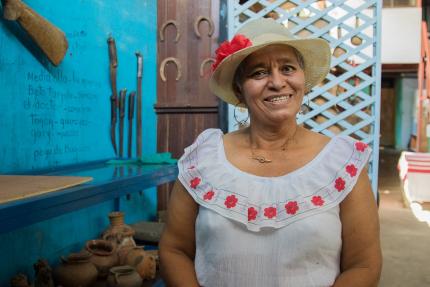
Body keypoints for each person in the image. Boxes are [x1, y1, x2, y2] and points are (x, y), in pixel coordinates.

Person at [159, 18, 381, 287]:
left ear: (303, 80)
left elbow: (363, 265)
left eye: (287, 68)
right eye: (259, 73)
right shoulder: (203, 160)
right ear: (239, 89)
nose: (277, 82)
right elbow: (175, 250)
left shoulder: (342, 164)